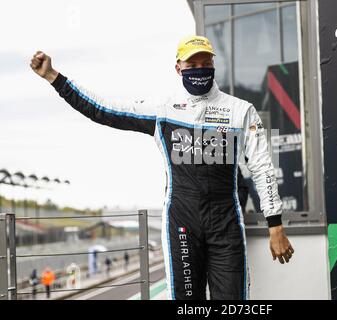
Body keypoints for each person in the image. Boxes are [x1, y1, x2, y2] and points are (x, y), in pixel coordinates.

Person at [30, 35, 294, 300]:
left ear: (214, 65)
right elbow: (102, 110)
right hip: (182, 223)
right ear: (178, 68)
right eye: (192, 64)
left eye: (205, 62)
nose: (199, 68)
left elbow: (262, 166)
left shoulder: (240, 110)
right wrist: (54, 77)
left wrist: (275, 225)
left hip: (226, 225)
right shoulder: (163, 110)